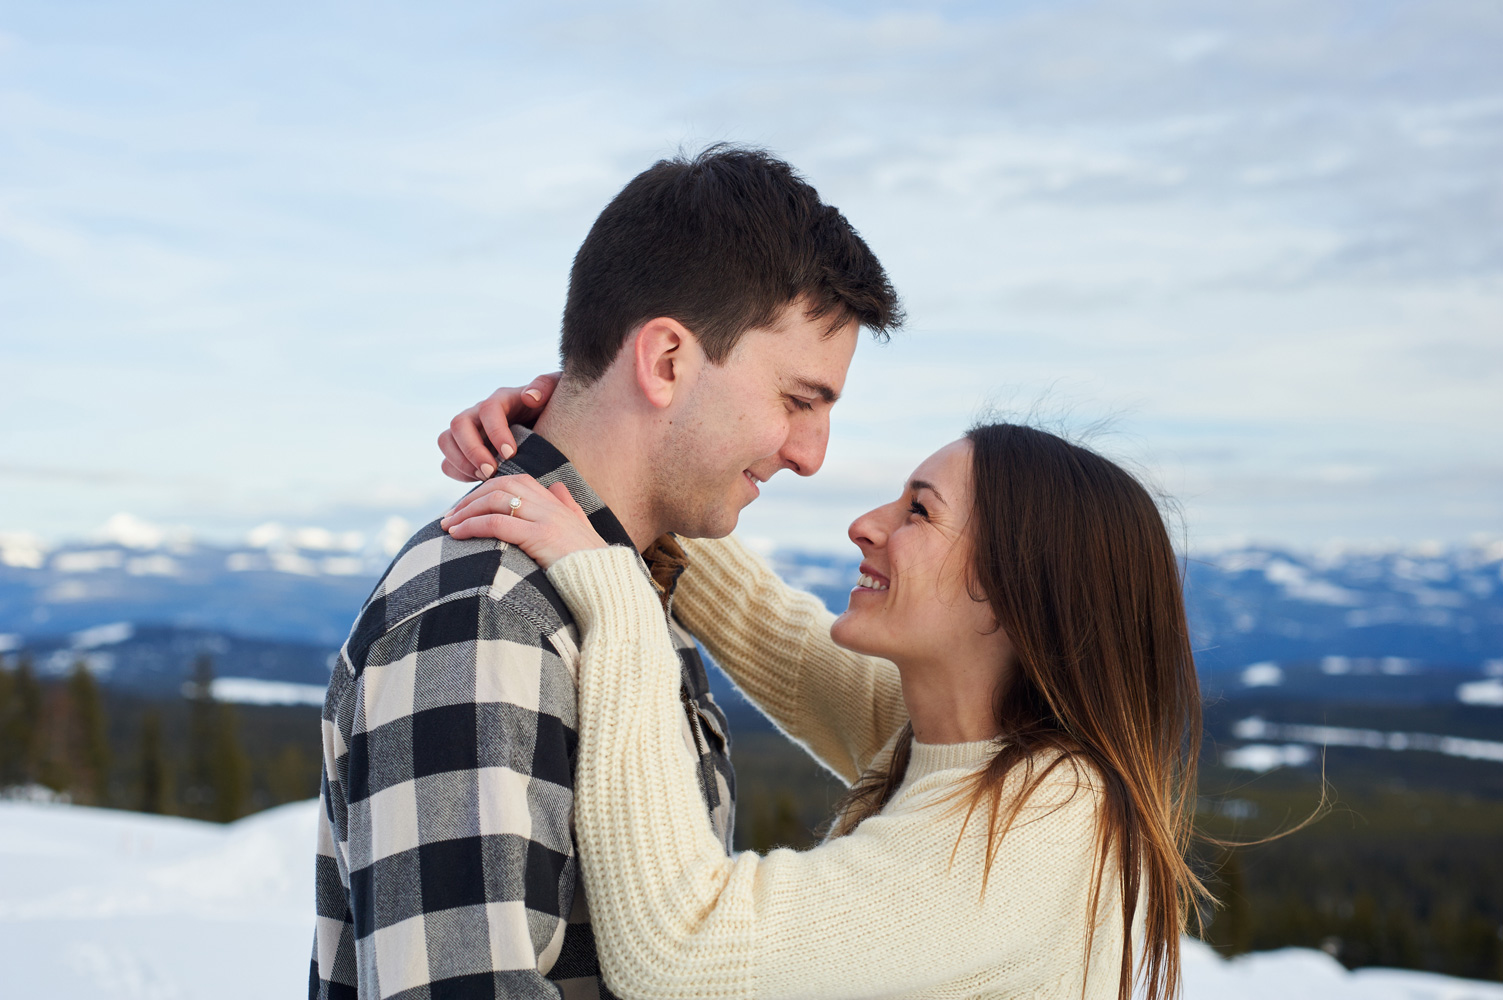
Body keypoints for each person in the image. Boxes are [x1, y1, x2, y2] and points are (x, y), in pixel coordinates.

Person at [310, 146, 902, 1000]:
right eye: (798, 401)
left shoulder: (617, 585)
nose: (811, 456)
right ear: (665, 362)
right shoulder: (490, 611)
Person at [437, 394, 1206, 1000]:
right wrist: (583, 454)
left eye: (919, 511)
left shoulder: (1042, 818)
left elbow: (683, 949)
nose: (863, 525)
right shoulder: (948, 730)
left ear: (1009, 593)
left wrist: (615, 599)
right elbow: (769, 627)